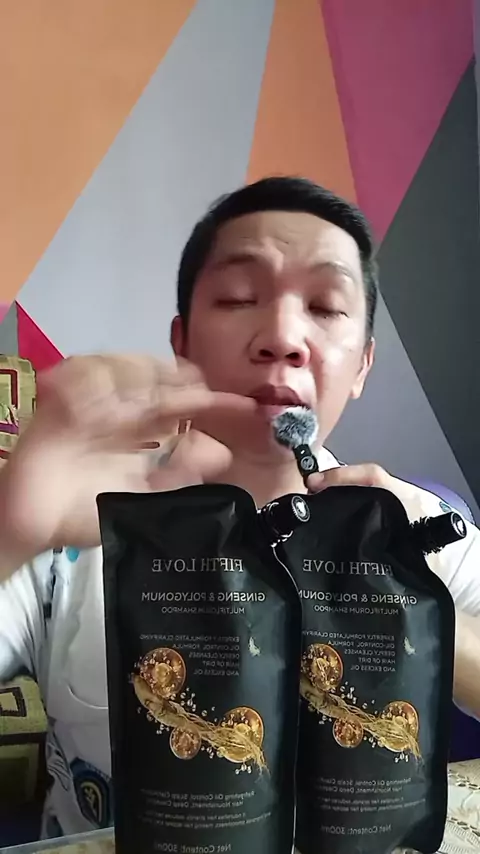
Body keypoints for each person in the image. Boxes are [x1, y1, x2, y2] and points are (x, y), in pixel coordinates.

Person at [0, 177, 479, 838]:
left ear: (364, 365)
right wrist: (11, 531)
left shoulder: (417, 530)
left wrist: (416, 608)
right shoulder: (74, 524)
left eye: (325, 306)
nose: (282, 336)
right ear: (183, 342)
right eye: (237, 298)